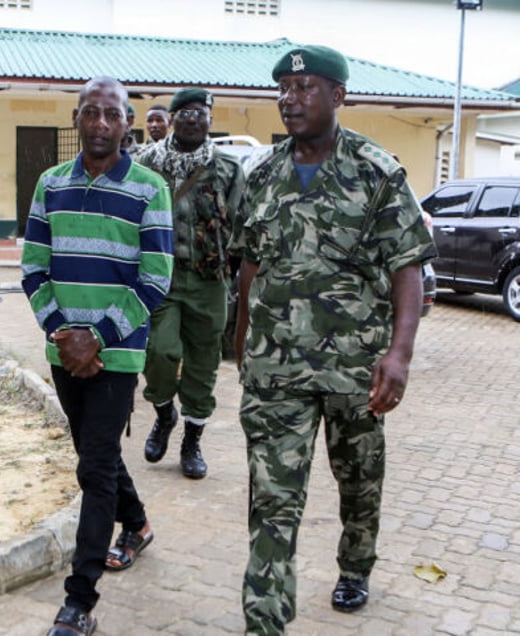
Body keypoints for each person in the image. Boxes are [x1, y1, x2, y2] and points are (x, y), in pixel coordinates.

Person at [233, 45, 436, 634]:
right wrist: (242, 343)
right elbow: (250, 264)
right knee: (272, 504)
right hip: (275, 372)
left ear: (338, 96)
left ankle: (355, 563)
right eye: (284, 89)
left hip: (354, 370)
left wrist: (398, 355)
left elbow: (408, 268)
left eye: (305, 88)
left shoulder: (377, 172)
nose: (289, 100)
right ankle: (264, 622)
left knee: (358, 479)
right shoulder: (263, 173)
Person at [21, 76, 173, 636]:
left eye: (112, 114)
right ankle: (136, 523)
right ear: (77, 120)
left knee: (94, 468)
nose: (101, 124)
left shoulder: (149, 189)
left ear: (127, 124)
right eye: (91, 113)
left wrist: (98, 339)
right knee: (96, 452)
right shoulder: (50, 184)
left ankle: (79, 600)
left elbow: (156, 279)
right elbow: (34, 268)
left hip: (118, 357)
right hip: (66, 353)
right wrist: (66, 334)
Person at [135, 87, 245, 479]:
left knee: (203, 362)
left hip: (209, 280)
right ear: (173, 119)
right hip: (160, 276)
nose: (195, 120)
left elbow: (241, 228)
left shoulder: (228, 169)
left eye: (202, 114)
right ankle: (165, 414)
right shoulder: (146, 163)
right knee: (160, 352)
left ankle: (192, 440)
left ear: (211, 121)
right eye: (186, 113)